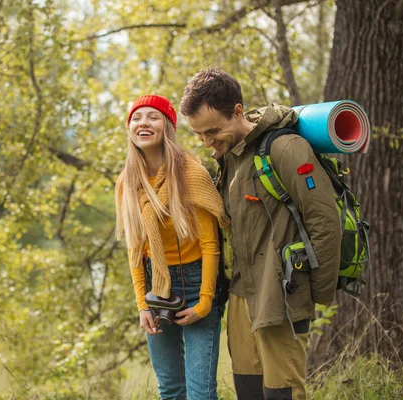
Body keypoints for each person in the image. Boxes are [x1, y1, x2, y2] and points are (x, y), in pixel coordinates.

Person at [179, 68, 342, 400]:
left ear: (238, 112)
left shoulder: (285, 148)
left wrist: (315, 294)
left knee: (283, 393)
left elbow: (325, 222)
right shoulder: (229, 159)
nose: (208, 142)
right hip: (241, 295)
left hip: (282, 293)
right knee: (249, 391)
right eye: (199, 135)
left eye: (213, 131)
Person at [115, 94, 230, 400]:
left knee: (201, 393)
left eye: (152, 117)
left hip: (196, 282)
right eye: (136, 118)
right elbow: (135, 250)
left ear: (167, 126)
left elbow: (210, 244)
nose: (143, 123)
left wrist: (205, 302)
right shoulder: (128, 182)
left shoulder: (190, 173)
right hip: (157, 285)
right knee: (170, 390)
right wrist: (143, 304)